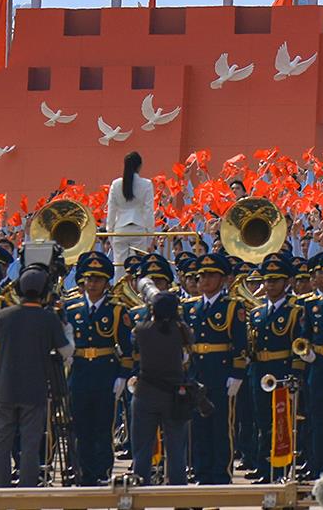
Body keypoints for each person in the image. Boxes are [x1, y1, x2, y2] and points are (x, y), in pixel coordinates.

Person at [0, 268, 68, 487]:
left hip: (4, 388)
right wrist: (66, 329)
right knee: (30, 443)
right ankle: (27, 488)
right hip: (34, 390)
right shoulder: (48, 318)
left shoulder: (3, 315)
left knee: (1, 441)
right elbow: (66, 351)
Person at [132, 289, 198, 483]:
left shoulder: (141, 330)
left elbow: (133, 341)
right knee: (176, 447)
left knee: (142, 447)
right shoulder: (181, 331)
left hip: (145, 393)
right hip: (174, 395)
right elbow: (190, 340)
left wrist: (149, 311)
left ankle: (140, 483)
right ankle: (177, 486)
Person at [106, 149, 158, 262]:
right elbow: (148, 211)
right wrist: (150, 235)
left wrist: (110, 232)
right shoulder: (146, 184)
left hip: (120, 230)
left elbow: (111, 210)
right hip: (138, 229)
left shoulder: (115, 184)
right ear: (140, 166)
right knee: (137, 265)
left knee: (119, 266)